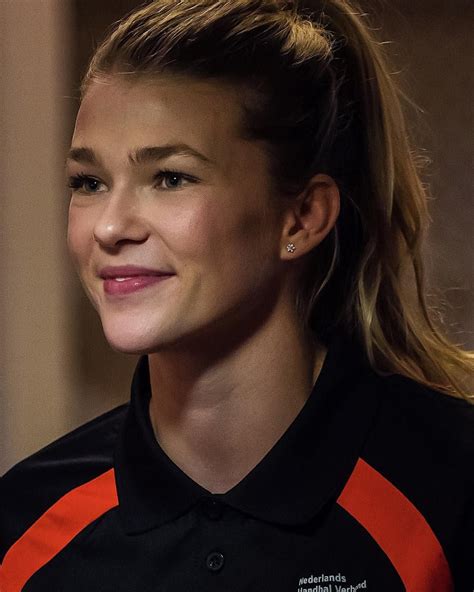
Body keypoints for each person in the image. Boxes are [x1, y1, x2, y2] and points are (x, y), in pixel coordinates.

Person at [1, 0, 472, 590]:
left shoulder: (454, 493)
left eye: (171, 177)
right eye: (89, 183)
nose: (109, 227)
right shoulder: (20, 528)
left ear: (301, 217)